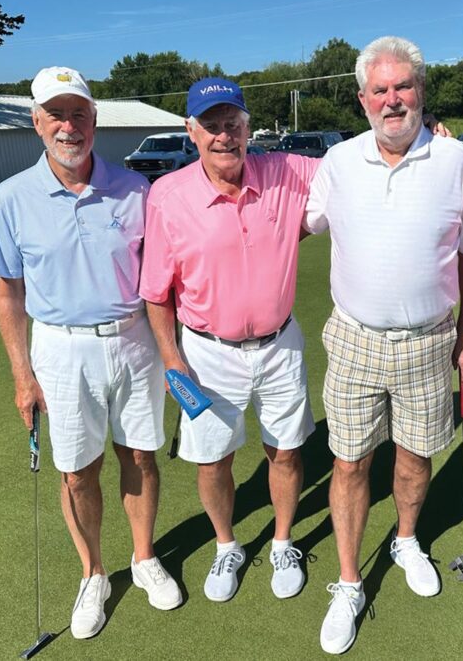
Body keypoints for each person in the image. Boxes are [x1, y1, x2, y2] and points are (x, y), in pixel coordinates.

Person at [303, 36, 463, 655]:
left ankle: (407, 537)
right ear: (361, 99)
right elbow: (292, 220)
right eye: (379, 90)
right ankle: (350, 580)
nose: (391, 99)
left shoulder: (458, 162)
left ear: (421, 92)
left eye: (402, 87)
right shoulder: (338, 161)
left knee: (414, 456)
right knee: (350, 463)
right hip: (353, 338)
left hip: (430, 342)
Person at [0, 66, 181, 640]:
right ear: (36, 122)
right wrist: (22, 376)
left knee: (141, 457)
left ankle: (144, 558)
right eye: (56, 114)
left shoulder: (136, 189)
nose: (68, 126)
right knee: (77, 473)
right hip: (59, 348)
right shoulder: (11, 197)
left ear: (95, 120)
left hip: (134, 341)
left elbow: (164, 279)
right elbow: (8, 292)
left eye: (78, 114)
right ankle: (94, 572)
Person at [139, 77, 319, 603]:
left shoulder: (285, 171)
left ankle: (283, 540)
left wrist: (428, 137)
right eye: (211, 126)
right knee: (213, 460)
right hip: (206, 351)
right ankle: (226, 545)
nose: (224, 136)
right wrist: (172, 359)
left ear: (247, 127)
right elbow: (157, 293)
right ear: (191, 133)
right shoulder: (168, 196)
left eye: (233, 124)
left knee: (284, 451)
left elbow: (356, 163)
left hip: (280, 345)